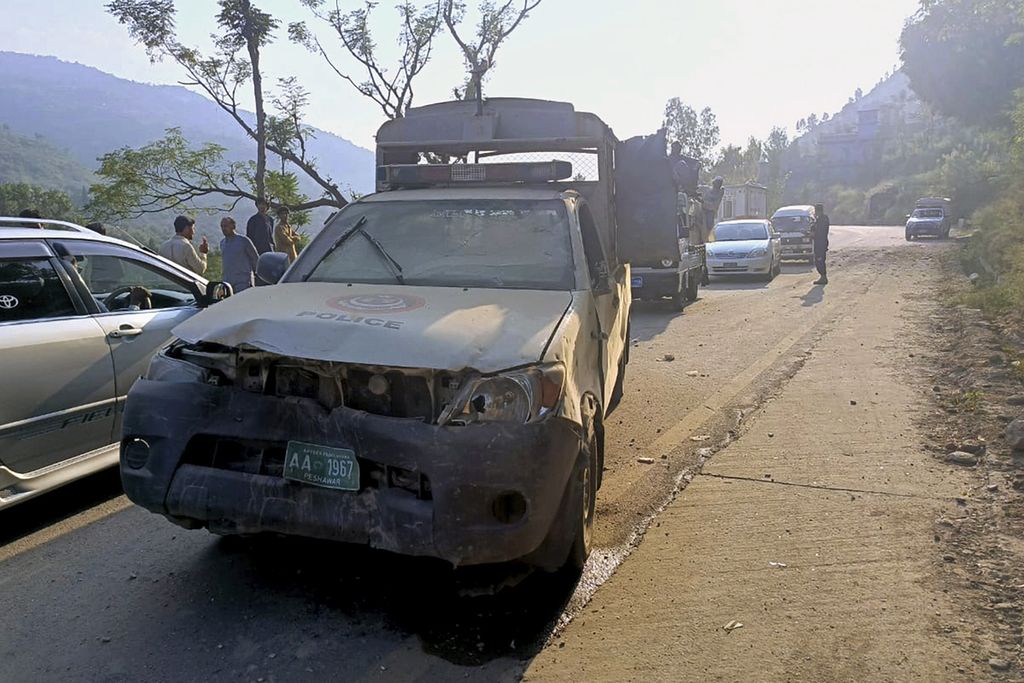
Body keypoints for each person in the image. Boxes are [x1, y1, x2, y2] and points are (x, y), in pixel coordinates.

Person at [219, 216, 259, 292]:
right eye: (222, 226)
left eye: (226, 226)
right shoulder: (222, 243)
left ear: (233, 226)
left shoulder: (244, 240)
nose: (224, 228)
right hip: (228, 282)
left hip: (243, 281)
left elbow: (255, 259)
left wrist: (257, 277)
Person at [812, 203, 831, 285]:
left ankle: (823, 277)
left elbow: (820, 231)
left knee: (820, 261)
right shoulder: (819, 219)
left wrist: (813, 233)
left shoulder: (823, 219)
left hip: (821, 243)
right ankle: (822, 277)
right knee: (818, 260)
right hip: (819, 243)